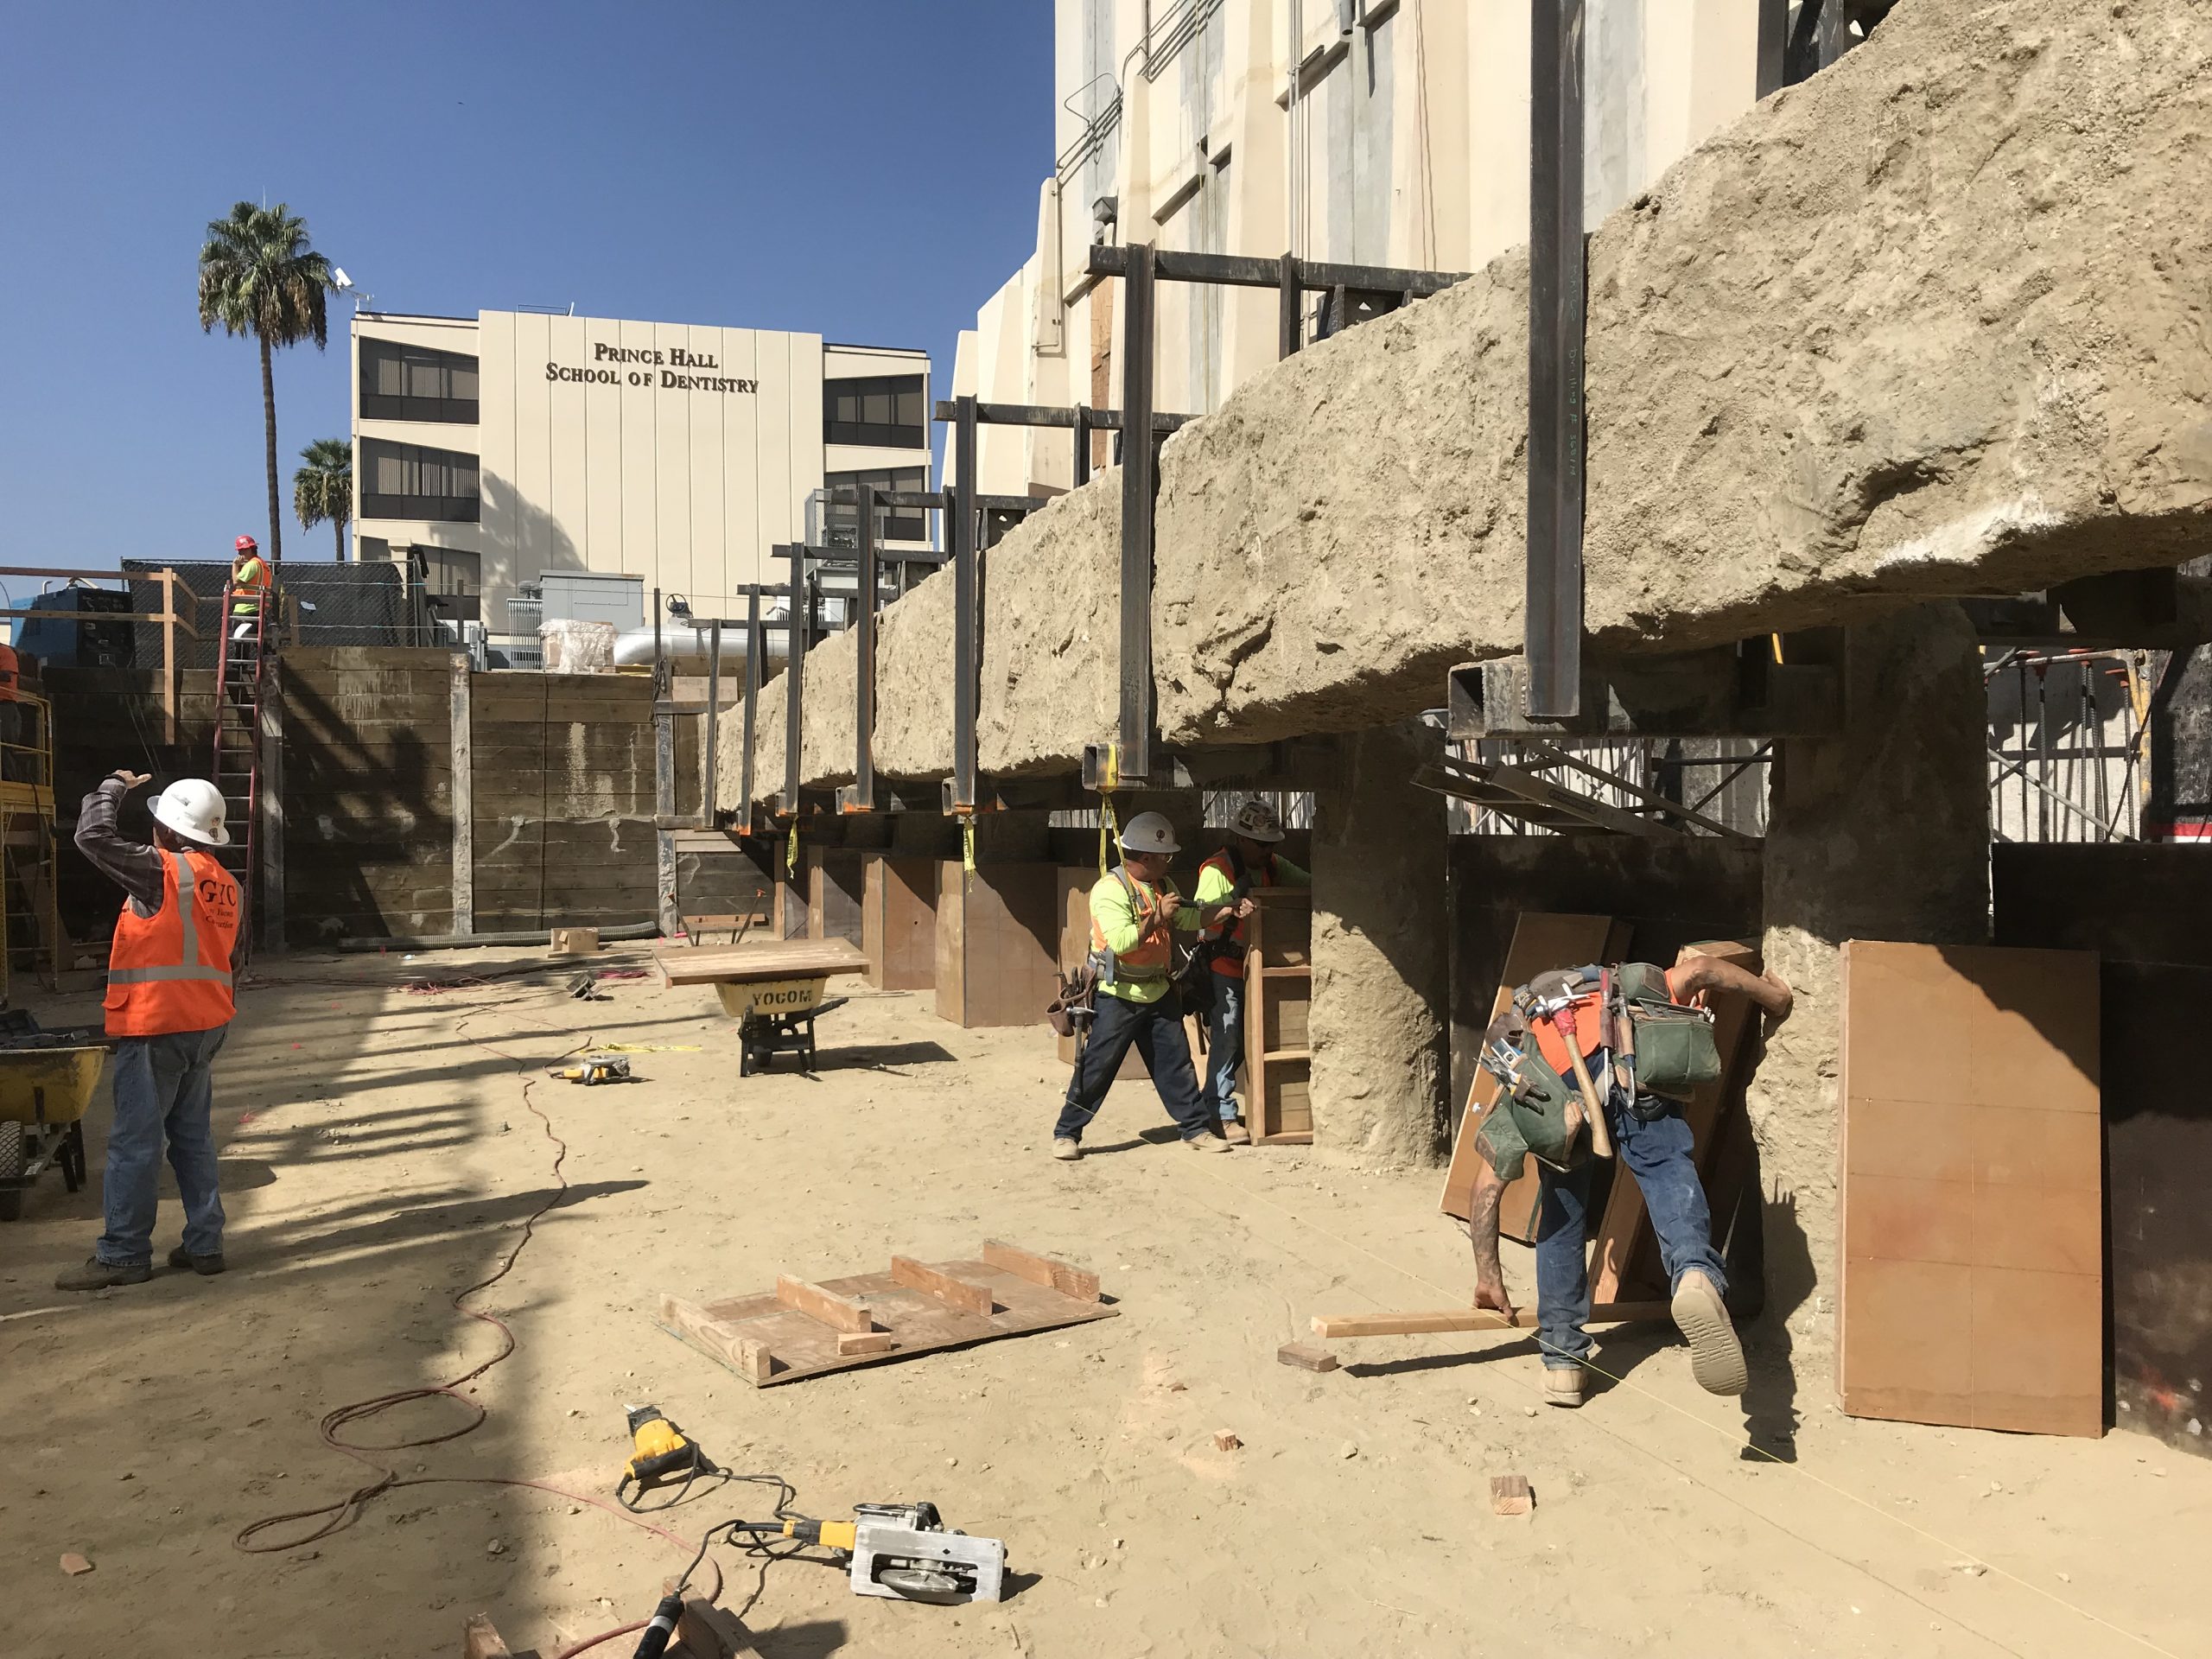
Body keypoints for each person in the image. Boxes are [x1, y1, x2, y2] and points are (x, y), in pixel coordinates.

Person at [1465, 953, 1793, 1408]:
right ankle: (1695, 1275)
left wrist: (1488, 1276)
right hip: (1632, 1062)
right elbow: (1702, 969)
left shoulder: (1525, 1049)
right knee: (1665, 1171)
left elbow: (1486, 1187)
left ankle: (1563, 1363)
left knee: (1562, 1212)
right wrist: (1773, 997)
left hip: (1557, 1087)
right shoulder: (1636, 986)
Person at [55, 770, 242, 1291]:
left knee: (135, 1144)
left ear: (167, 827)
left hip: (158, 1023)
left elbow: (91, 836)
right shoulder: (226, 884)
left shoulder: (159, 870)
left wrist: (113, 786)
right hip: (206, 1024)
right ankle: (205, 1243)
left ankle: (123, 1255)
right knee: (192, 1139)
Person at [1052, 810, 1254, 1161]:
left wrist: (1226, 911)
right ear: (1146, 857)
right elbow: (1121, 941)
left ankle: (1195, 1128)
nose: (1169, 861)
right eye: (1165, 856)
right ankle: (1067, 1133)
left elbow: (1191, 917)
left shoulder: (1165, 886)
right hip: (1118, 996)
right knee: (1097, 1067)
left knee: (1176, 1064)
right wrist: (1156, 917)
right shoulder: (1109, 890)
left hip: (1158, 990)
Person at [1190, 797, 1308, 1143]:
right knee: (1227, 1038)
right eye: (1260, 844)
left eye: (1271, 844)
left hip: (1257, 966)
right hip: (1224, 963)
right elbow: (1202, 914)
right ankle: (1221, 1113)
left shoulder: (1273, 864)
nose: (1266, 850)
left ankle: (1217, 1101)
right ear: (1241, 838)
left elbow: (1309, 884)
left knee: (1246, 1040)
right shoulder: (1217, 869)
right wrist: (1231, 908)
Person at [228, 534, 272, 651]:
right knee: (254, 640)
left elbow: (237, 582)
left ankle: (240, 666)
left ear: (251, 549)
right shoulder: (263, 565)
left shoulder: (252, 564)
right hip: (258, 607)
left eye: (243, 550)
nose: (240, 554)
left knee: (239, 639)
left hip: (245, 608)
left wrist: (235, 565)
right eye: (239, 551)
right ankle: (269, 658)